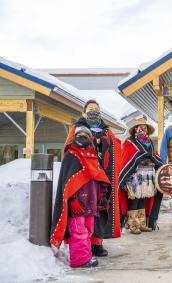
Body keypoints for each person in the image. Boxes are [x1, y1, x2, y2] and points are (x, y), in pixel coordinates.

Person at [64, 99, 122, 257]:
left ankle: (97, 243)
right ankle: (83, 243)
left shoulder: (106, 130)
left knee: (100, 209)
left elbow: (115, 145)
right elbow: (68, 149)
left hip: (101, 175)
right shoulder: (77, 128)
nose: (94, 111)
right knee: (83, 210)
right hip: (83, 177)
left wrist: (103, 141)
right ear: (84, 113)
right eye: (90, 109)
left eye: (96, 109)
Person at [51, 127, 111, 268]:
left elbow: (99, 178)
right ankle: (80, 260)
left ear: (90, 138)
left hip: (91, 202)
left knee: (88, 230)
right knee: (78, 231)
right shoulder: (71, 154)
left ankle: (86, 256)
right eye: (79, 134)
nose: (82, 136)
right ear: (74, 136)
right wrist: (72, 201)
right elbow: (67, 182)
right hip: (77, 203)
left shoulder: (93, 155)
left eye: (86, 134)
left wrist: (101, 196)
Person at [118, 117, 164, 234]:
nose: (142, 130)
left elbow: (154, 156)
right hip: (135, 175)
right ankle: (133, 224)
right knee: (135, 198)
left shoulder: (150, 143)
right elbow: (128, 158)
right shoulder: (130, 142)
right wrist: (144, 156)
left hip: (148, 175)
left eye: (144, 128)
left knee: (144, 198)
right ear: (135, 129)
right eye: (140, 128)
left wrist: (159, 164)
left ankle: (142, 223)